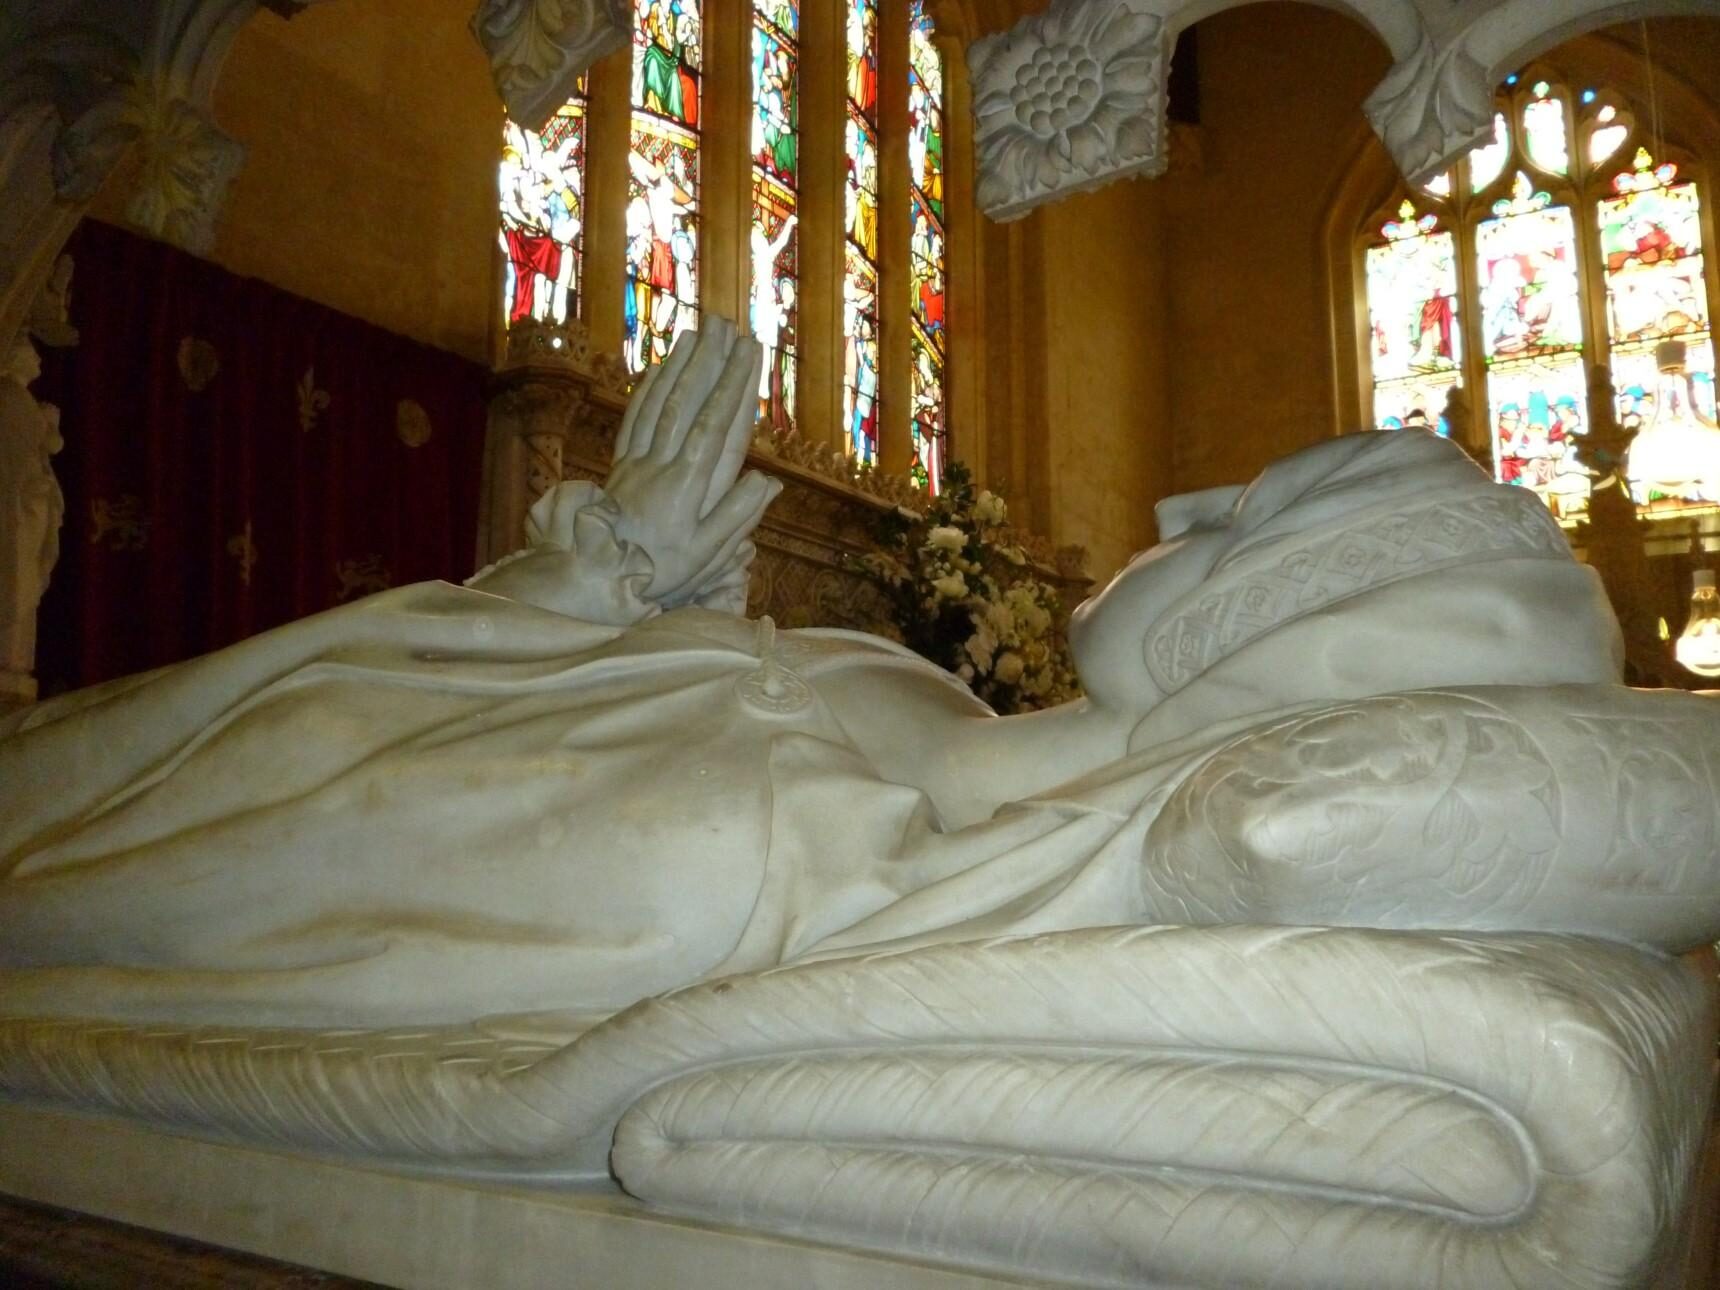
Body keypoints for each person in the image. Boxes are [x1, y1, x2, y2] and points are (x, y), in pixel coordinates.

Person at [2, 325, 1702, 1036]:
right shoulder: (924, 720)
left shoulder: (739, 847)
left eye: (1245, 515)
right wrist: (618, 583)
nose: (1182, 507)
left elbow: (216, 823)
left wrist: (588, 587)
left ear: (1286, 630)